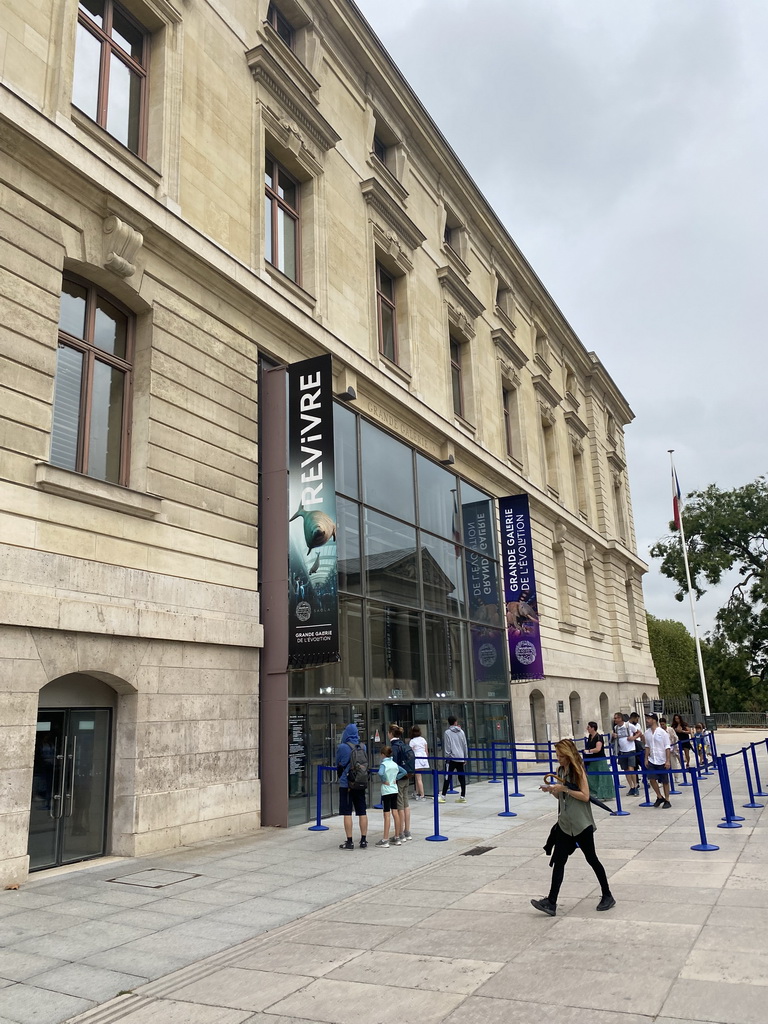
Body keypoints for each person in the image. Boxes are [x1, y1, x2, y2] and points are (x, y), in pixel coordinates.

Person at [531, 738, 615, 917]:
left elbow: (585, 796)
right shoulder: (561, 770)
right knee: (559, 861)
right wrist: (553, 790)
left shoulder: (578, 771)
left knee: (592, 858)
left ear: (569, 755)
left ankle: (607, 894)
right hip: (565, 823)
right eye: (557, 756)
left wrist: (564, 789)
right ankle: (551, 902)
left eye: (561, 756)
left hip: (581, 824)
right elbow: (562, 798)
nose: (559, 759)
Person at [336, 723, 369, 850]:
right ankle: (364, 840)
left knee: (347, 812)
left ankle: (349, 841)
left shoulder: (343, 747)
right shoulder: (363, 746)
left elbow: (338, 763)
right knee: (362, 811)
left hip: (346, 783)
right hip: (360, 782)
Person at [375, 746, 406, 848]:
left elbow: (380, 773)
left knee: (386, 814)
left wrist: (384, 779)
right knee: (395, 812)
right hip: (394, 788)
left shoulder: (384, 764)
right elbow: (404, 772)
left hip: (386, 789)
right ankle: (397, 837)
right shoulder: (394, 764)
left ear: (383, 754)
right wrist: (396, 778)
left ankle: (385, 839)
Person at [388, 724, 413, 841]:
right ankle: (407, 830)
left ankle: (400, 832)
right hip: (407, 776)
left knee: (399, 806)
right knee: (405, 803)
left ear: (390, 734)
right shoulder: (403, 745)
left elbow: (394, 764)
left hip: (399, 778)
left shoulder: (393, 747)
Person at [644, 712, 671, 808]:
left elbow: (667, 747)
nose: (647, 720)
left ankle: (667, 799)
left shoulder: (662, 733)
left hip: (662, 759)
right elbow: (647, 746)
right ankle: (659, 796)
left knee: (665, 781)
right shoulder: (647, 733)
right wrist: (646, 758)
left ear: (654, 720)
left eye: (649, 718)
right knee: (651, 778)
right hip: (652, 759)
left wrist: (667, 760)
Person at [439, 715, 468, 803]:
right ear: (455, 722)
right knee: (461, 776)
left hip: (451, 758)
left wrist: (447, 756)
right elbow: (464, 745)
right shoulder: (461, 732)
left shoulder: (447, 732)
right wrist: (465, 757)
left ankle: (443, 796)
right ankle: (462, 796)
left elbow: (447, 746)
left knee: (448, 776)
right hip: (460, 756)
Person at [612, 711, 641, 795]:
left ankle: (635, 786)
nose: (615, 720)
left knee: (631, 768)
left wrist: (633, 737)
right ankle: (631, 786)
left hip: (631, 749)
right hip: (622, 750)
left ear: (620, 718)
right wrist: (614, 736)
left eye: (616, 718)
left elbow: (639, 732)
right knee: (625, 769)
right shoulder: (616, 727)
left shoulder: (629, 725)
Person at [583, 722, 614, 800]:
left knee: (602, 778)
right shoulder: (590, 737)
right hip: (591, 760)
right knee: (592, 777)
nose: (587, 729)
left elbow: (598, 749)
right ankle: (595, 792)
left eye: (589, 727)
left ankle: (605, 794)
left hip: (599, 760)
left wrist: (589, 751)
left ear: (593, 728)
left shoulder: (598, 737)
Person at [409, 725, 429, 799]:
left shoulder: (412, 741)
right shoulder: (423, 739)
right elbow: (426, 751)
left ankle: (422, 794)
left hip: (416, 759)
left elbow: (410, 752)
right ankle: (417, 792)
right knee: (418, 777)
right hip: (423, 758)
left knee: (418, 778)